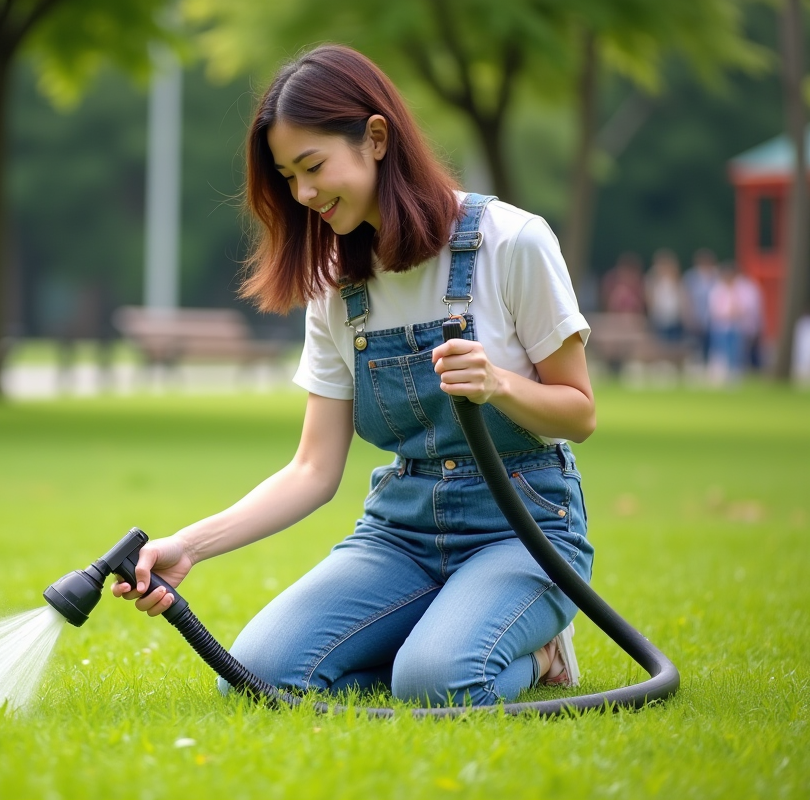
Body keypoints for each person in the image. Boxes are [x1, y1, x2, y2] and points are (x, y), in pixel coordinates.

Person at [113, 45, 595, 707]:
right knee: (255, 672)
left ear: (375, 138)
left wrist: (501, 385)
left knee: (437, 684)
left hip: (527, 527)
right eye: (288, 177)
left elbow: (580, 413)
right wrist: (188, 547)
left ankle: (537, 653)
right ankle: (438, 636)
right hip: (402, 531)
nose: (304, 195)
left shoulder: (512, 242)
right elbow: (313, 469)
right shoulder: (337, 287)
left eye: (312, 166)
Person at [645, 249, 684, 345]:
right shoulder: (653, 279)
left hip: (673, 316)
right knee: (660, 342)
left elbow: (680, 297)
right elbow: (649, 297)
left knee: (674, 342)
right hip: (659, 316)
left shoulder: (675, 279)